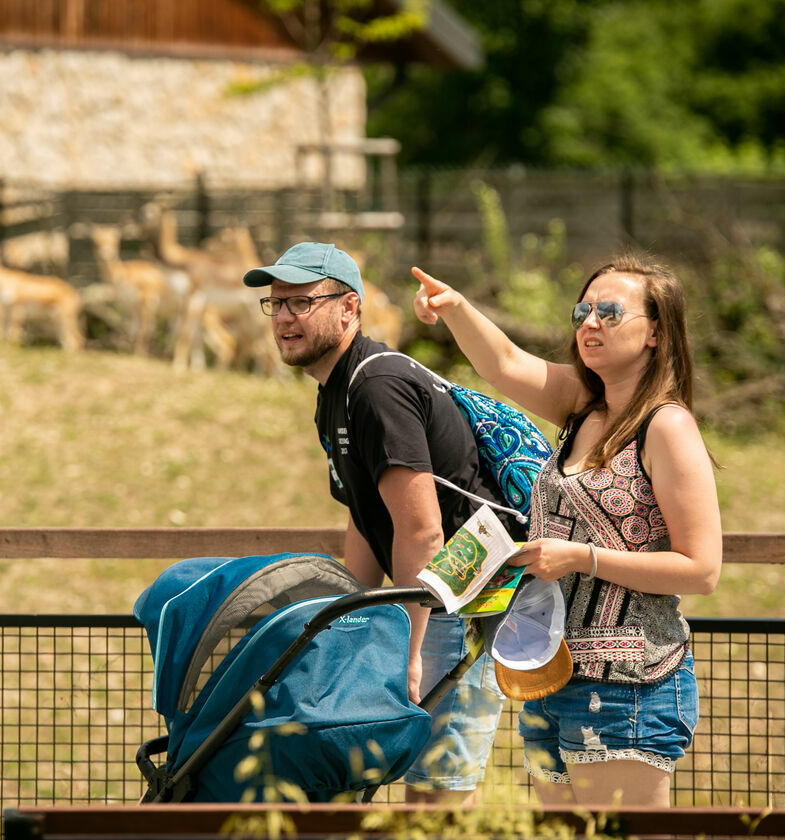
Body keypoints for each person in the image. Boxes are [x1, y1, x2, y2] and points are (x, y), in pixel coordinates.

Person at [412, 254, 722, 809]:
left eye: (609, 311)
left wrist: (583, 557)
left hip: (629, 685)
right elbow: (504, 363)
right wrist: (455, 307)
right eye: (583, 309)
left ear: (655, 332)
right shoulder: (583, 406)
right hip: (550, 678)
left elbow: (702, 569)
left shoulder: (667, 425)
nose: (590, 323)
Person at [243, 242, 521, 805]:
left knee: (435, 802)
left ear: (349, 308)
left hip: (457, 599)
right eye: (276, 305)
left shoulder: (375, 387)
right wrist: (355, 626)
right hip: (427, 599)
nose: (285, 318)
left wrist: (405, 647)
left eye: (302, 302)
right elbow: (365, 518)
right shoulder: (334, 392)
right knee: (406, 797)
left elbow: (421, 532)